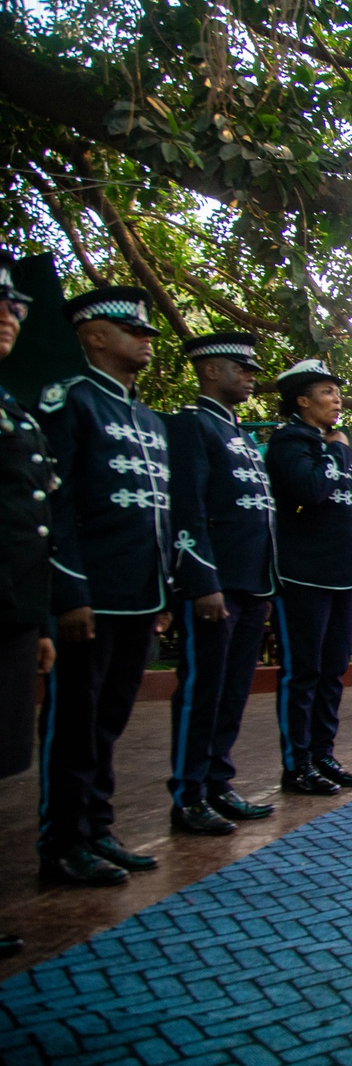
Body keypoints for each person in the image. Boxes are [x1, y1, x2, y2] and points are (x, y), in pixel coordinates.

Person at [37, 286, 172, 885]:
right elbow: (55, 507)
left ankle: (98, 827)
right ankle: (63, 840)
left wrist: (162, 592)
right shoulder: (72, 402)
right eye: (132, 330)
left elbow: (160, 513)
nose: (146, 340)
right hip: (91, 592)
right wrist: (69, 591)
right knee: (75, 719)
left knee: (110, 716)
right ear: (94, 335)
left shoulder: (144, 416)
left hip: (139, 592)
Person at [164, 332, 279, 835]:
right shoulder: (193, 427)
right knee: (202, 689)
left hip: (251, 582)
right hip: (216, 583)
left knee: (233, 689)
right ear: (210, 370)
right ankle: (188, 792)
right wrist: (201, 579)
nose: (250, 374)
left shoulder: (240, 434)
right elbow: (187, 507)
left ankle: (218, 782)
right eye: (240, 366)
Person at [266, 358, 352, 795]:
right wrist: (339, 449)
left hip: (344, 574)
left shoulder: (335, 443)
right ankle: (298, 764)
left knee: (333, 671)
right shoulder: (290, 442)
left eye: (337, 391)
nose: (337, 399)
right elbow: (311, 489)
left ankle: (323, 754)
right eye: (327, 392)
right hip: (304, 575)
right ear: (302, 400)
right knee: (303, 672)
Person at [0, 253, 53, 947]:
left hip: (10, 608)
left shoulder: (11, 408)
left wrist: (34, 617)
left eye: (14, 305)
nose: (8, 315)